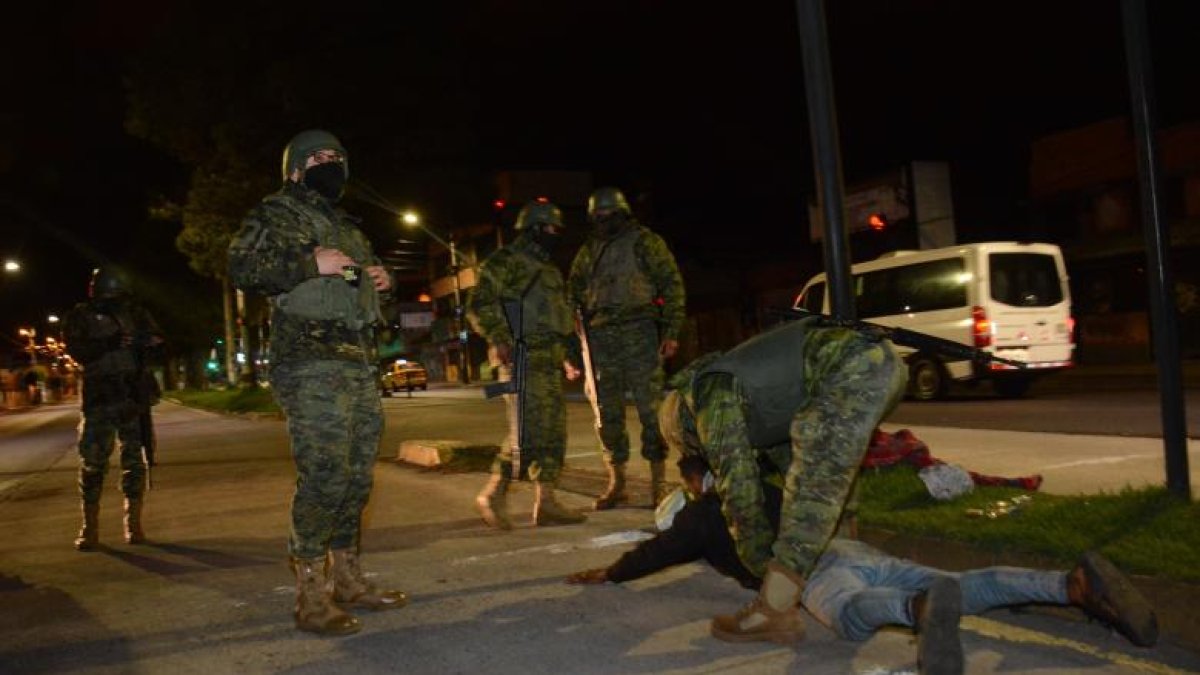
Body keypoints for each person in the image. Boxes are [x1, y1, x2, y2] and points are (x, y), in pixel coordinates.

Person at [567, 456, 1159, 674]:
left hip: (816, 572)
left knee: (849, 617)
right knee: (958, 584)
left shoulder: (698, 517)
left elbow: (658, 550)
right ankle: (1069, 585)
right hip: (855, 550)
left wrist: (612, 572)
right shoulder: (768, 489)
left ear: (695, 480)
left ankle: (915, 612)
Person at [228, 129, 406, 637]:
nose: (330, 163)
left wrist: (379, 284)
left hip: (356, 361)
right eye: (318, 157)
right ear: (294, 169)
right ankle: (310, 595)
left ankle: (348, 580)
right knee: (326, 474)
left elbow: (351, 291)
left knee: (356, 478)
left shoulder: (348, 228)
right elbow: (241, 267)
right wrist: (310, 262)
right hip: (307, 362)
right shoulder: (275, 213)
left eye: (337, 157)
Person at [655, 315, 908, 644]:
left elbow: (741, 495)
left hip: (852, 369)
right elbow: (794, 467)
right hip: (881, 364)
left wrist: (761, 567)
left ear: (682, 425)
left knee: (813, 496)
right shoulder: (747, 391)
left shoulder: (708, 396)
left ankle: (773, 611)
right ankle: (849, 568)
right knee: (828, 486)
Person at [468, 200, 587, 530]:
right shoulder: (506, 261)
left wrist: (566, 357)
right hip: (520, 357)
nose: (555, 235)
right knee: (526, 434)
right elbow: (480, 303)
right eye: (551, 228)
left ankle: (546, 503)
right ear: (534, 228)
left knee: (553, 434)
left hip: (547, 361)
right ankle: (492, 493)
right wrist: (498, 337)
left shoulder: (548, 269)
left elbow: (556, 318)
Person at [567, 186, 685, 510]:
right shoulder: (589, 252)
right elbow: (572, 291)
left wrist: (671, 330)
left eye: (609, 215)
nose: (604, 221)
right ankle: (616, 481)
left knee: (651, 412)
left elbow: (671, 284)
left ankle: (658, 483)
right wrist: (573, 330)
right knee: (607, 414)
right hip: (600, 337)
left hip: (640, 331)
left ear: (622, 213)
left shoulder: (646, 242)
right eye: (598, 217)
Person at [63, 267, 163, 551]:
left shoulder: (136, 312)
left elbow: (159, 344)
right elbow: (77, 349)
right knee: (93, 462)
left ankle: (134, 524)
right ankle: (90, 527)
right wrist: (110, 343)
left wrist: (147, 343)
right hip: (100, 397)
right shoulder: (81, 315)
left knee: (135, 460)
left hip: (132, 395)